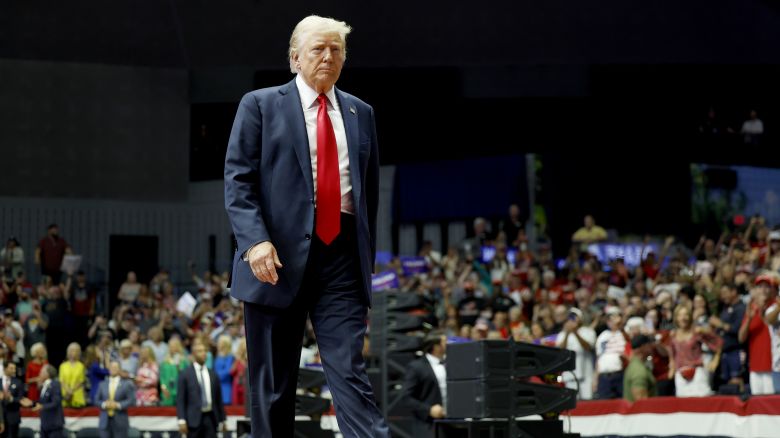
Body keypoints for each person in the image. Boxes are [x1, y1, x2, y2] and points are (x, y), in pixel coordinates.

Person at [223, 15, 387, 437]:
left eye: (336, 50)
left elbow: (368, 193)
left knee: (350, 374)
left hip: (342, 259)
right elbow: (238, 179)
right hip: (274, 259)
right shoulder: (259, 104)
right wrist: (254, 242)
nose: (328, 57)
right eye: (318, 49)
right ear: (295, 58)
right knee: (273, 388)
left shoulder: (360, 112)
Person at [176, 342, 226, 438]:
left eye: (205, 351)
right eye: (200, 351)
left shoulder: (213, 374)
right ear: (194, 354)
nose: (203, 353)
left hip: (211, 418)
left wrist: (223, 419)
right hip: (192, 420)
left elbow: (218, 399)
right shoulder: (185, 374)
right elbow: (180, 399)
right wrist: (181, 420)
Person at [402, 332, 447, 438]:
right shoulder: (416, 367)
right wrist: (428, 410)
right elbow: (406, 397)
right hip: (428, 424)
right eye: (445, 342)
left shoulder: (450, 364)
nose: (449, 345)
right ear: (436, 347)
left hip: (451, 423)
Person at [556, 307, 596, 400]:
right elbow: (560, 351)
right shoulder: (562, 334)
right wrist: (567, 333)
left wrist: (575, 333)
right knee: (572, 402)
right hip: (569, 375)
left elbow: (588, 348)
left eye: (574, 317)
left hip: (586, 374)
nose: (572, 319)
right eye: (570, 317)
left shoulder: (588, 331)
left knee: (588, 401)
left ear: (580, 318)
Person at [96, 361, 136, 438]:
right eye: (111, 367)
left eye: (115, 367)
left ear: (119, 369)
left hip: (120, 420)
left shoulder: (126, 384)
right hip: (104, 421)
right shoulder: (102, 384)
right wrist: (104, 404)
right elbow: (96, 400)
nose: (113, 369)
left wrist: (118, 405)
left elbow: (132, 400)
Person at [22, 365, 63, 438]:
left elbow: (56, 402)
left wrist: (42, 406)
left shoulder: (55, 384)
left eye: (41, 372)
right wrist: (32, 403)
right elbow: (43, 402)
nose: (39, 374)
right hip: (45, 424)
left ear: (47, 374)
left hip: (54, 425)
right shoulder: (44, 385)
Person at [623, 335, 657, 402]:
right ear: (642, 347)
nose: (652, 348)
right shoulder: (639, 370)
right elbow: (641, 402)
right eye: (649, 345)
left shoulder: (635, 365)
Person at [58, 343, 86, 408]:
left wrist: (72, 391)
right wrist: (68, 391)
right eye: (72, 350)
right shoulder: (63, 366)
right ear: (68, 352)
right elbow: (61, 381)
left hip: (77, 395)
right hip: (65, 395)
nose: (74, 352)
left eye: (76, 351)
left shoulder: (81, 366)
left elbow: (81, 381)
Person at [1, 362, 23, 438]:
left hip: (13, 418)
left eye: (15, 369)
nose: (14, 371)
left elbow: (21, 400)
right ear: (5, 368)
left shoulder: (18, 382)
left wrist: (11, 398)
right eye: (11, 368)